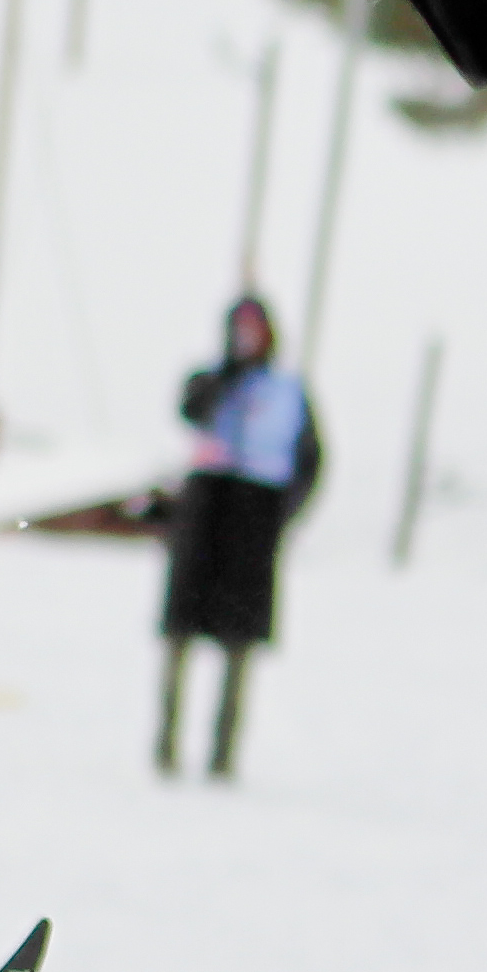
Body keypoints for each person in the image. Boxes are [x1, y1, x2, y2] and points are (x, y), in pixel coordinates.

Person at [156, 294, 323, 779]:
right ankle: (166, 748)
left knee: (239, 640)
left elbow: (312, 459)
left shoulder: (289, 391)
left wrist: (284, 512)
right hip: (206, 511)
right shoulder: (209, 380)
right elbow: (191, 409)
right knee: (181, 635)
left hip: (254, 520)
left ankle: (223, 756)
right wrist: (229, 375)